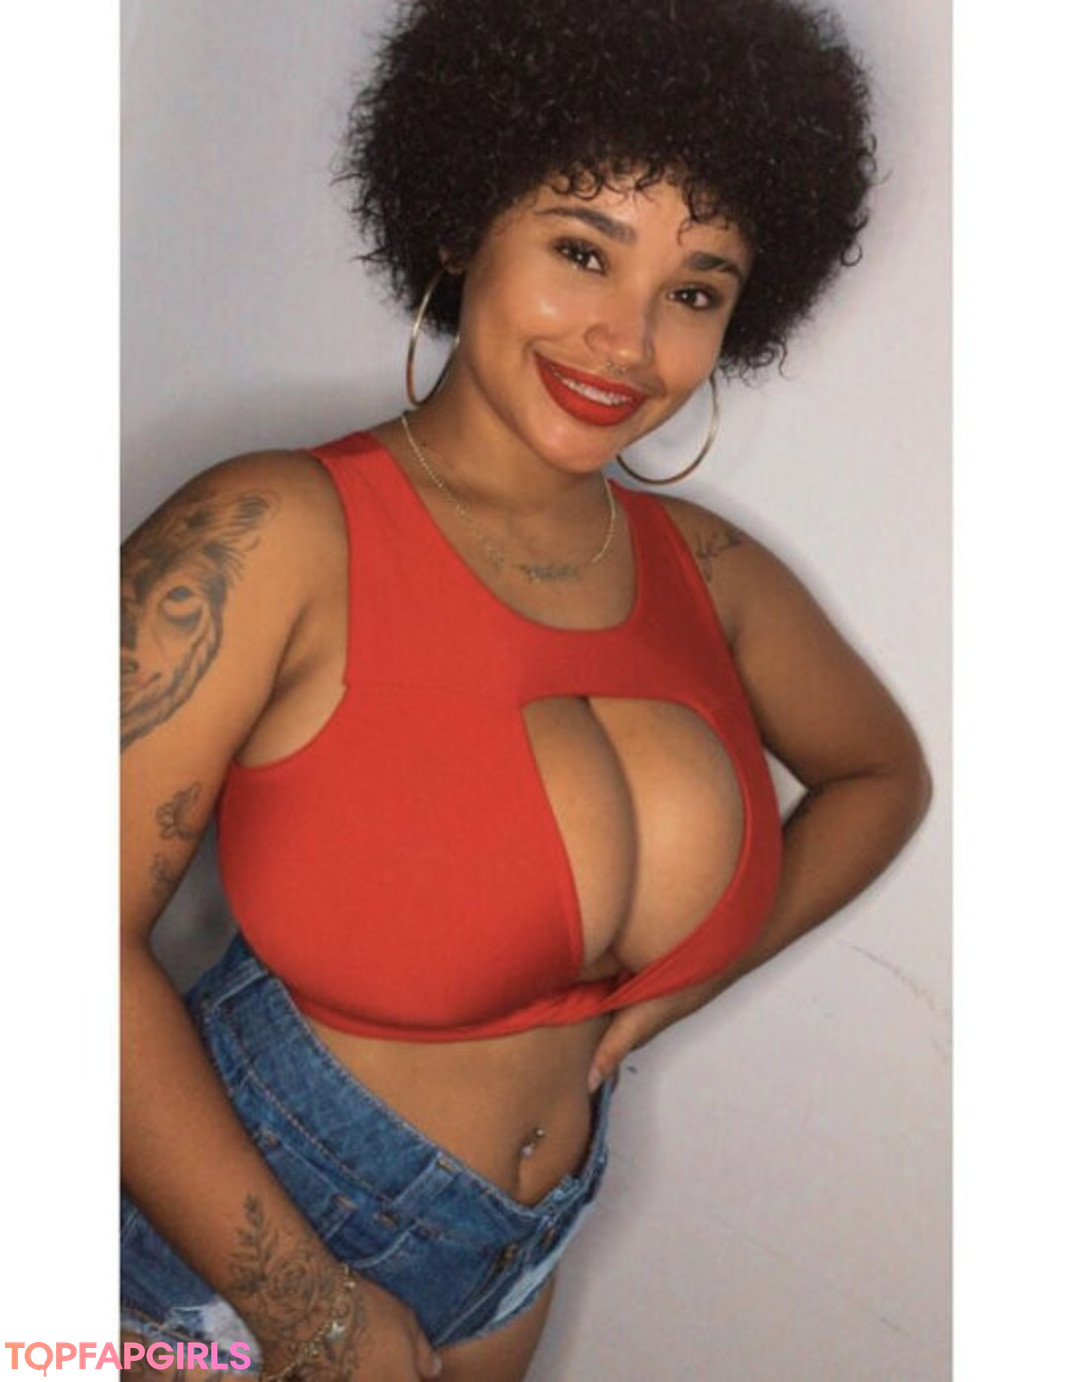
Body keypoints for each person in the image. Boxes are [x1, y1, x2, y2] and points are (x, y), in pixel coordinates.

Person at [119, 1, 932, 1379]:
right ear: (462, 226)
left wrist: (682, 981)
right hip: (216, 1257)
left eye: (693, 292)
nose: (627, 340)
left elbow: (883, 776)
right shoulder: (272, 532)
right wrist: (305, 1308)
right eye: (581, 251)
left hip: (515, 1256)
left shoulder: (709, 573)